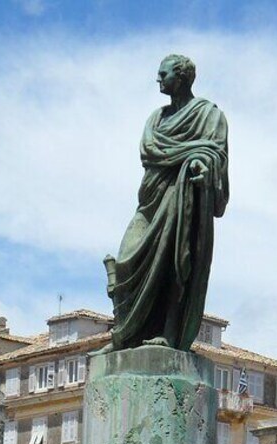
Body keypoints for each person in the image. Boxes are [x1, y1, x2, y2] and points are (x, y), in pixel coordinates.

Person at [103, 54, 229, 352]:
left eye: (163, 74)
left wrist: (200, 164)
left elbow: (215, 153)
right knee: (125, 263)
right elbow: (149, 152)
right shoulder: (156, 118)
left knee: (175, 262)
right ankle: (125, 335)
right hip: (150, 200)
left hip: (182, 195)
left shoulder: (209, 114)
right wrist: (194, 150)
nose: (158, 79)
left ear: (181, 77)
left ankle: (169, 333)